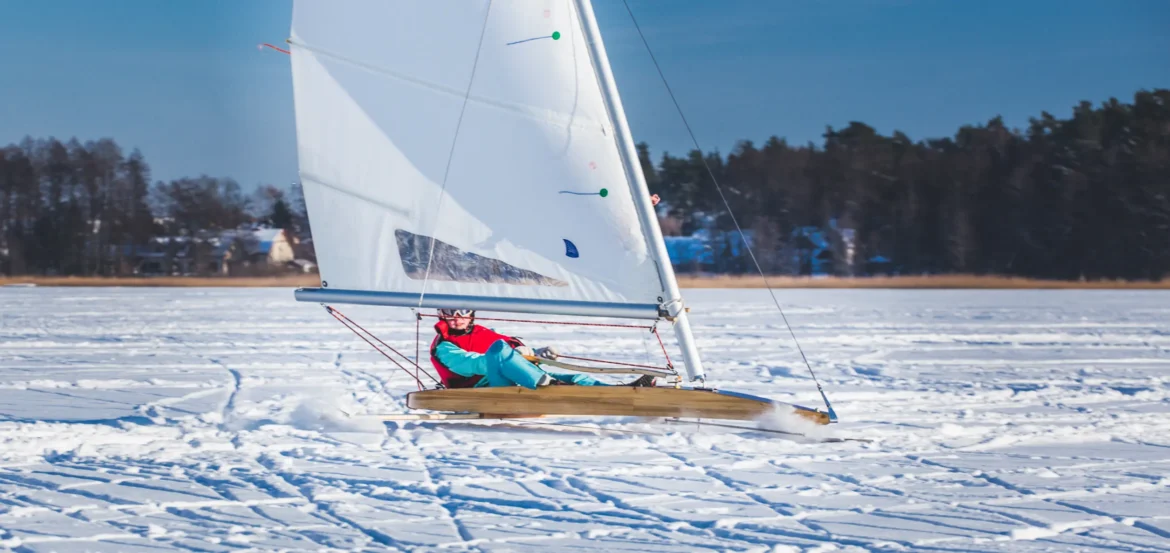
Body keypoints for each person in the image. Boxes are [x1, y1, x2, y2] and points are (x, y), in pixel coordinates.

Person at [430, 308, 606, 389]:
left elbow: (513, 348)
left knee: (576, 377)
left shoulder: (482, 333)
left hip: (519, 377)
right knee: (499, 349)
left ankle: (613, 391)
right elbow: (472, 365)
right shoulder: (444, 346)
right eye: (450, 312)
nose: (457, 317)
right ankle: (545, 385)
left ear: (472, 314)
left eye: (463, 311)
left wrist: (535, 353)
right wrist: (513, 358)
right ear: (441, 315)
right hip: (487, 387)